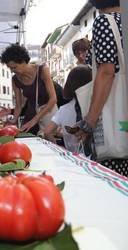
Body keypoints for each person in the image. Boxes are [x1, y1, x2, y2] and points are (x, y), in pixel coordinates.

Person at [74, 0, 128, 176]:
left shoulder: (105, 22)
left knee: (118, 189)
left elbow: (106, 72)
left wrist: (89, 121)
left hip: (117, 124)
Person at [0, 44, 57, 134]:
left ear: (23, 61)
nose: (12, 71)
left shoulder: (42, 70)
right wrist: (13, 120)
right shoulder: (15, 80)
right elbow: (19, 106)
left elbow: (53, 99)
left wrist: (35, 120)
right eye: (10, 68)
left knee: (49, 140)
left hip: (47, 113)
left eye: (14, 67)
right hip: (30, 115)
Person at [43, 65, 92, 153]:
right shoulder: (94, 108)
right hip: (93, 159)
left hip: (73, 158)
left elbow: (47, 132)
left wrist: (57, 148)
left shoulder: (63, 109)